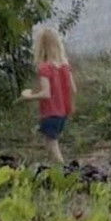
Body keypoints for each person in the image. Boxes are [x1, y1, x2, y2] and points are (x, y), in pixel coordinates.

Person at [20, 28, 75, 164]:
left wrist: (28, 97)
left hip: (50, 113)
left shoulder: (44, 68)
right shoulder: (65, 66)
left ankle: (65, 174)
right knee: (52, 145)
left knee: (53, 147)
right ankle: (57, 174)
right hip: (63, 113)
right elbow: (73, 89)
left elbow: (46, 93)